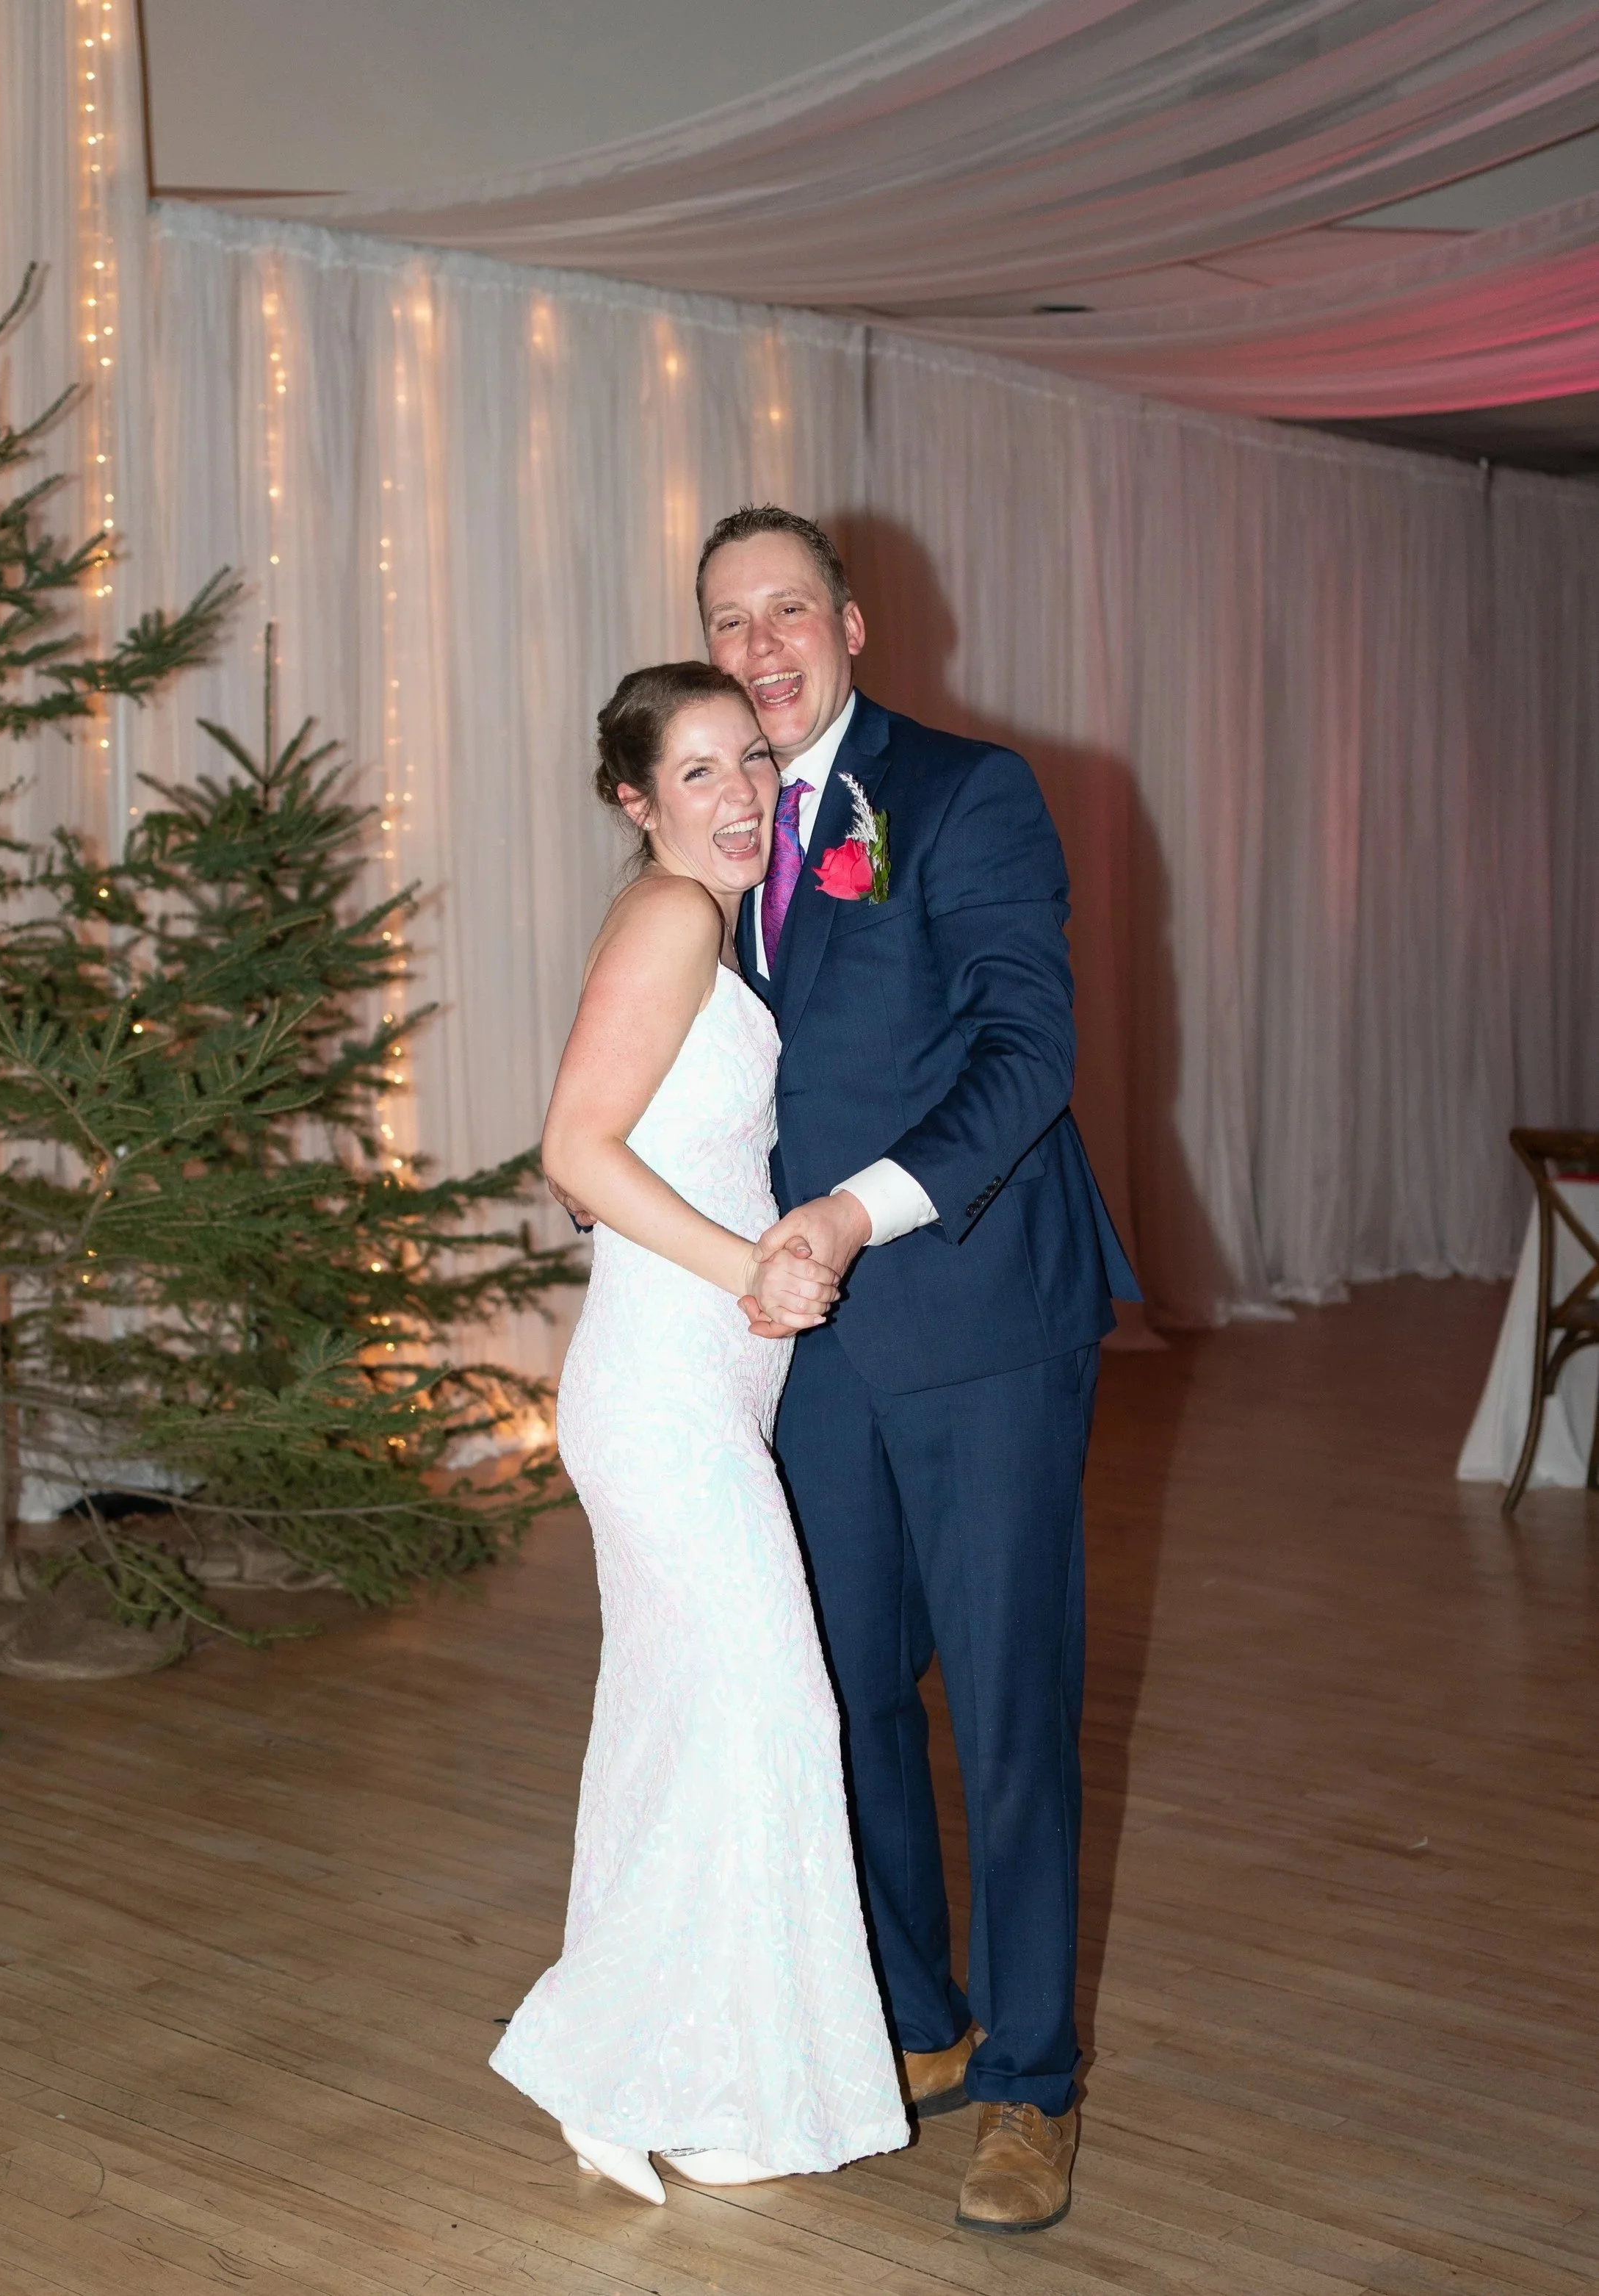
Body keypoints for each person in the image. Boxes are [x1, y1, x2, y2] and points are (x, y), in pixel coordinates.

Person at [698, 504, 1141, 2237]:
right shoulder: (719, 831)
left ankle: (1033, 2080)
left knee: (1012, 1712)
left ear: (854, 622)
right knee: (849, 1695)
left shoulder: (966, 792)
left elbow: (1032, 1048)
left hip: (976, 1318)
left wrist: (844, 1214)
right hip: (800, 1352)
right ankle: (918, 2017)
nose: (758, 645)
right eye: (727, 620)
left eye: (785, 608)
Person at [490, 659, 909, 2203]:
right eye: (694, 774)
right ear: (633, 800)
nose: (735, 796)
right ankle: (614, 2057)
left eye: (747, 762)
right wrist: (755, 1268)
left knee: (678, 1730)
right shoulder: (670, 918)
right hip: (663, 1401)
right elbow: (573, 1148)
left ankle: (659, 2073)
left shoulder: (712, 925)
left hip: (694, 1395)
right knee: (770, 1718)